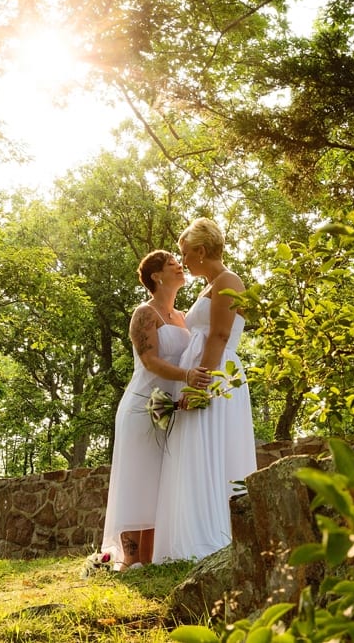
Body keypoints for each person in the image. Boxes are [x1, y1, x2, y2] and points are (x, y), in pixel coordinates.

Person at [153, 218, 257, 562]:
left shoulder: (229, 280)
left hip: (216, 377)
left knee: (212, 449)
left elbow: (220, 335)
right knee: (196, 450)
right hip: (202, 375)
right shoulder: (210, 285)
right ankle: (196, 530)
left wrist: (202, 382)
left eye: (185, 254)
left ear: (200, 250)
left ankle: (215, 534)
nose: (183, 261)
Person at [100, 250, 211, 571]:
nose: (180, 266)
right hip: (142, 405)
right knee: (137, 478)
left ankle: (148, 559)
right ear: (157, 276)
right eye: (172, 264)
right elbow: (150, 361)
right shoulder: (144, 314)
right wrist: (187, 376)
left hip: (171, 407)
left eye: (179, 263)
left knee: (160, 481)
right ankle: (129, 560)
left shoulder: (182, 317)